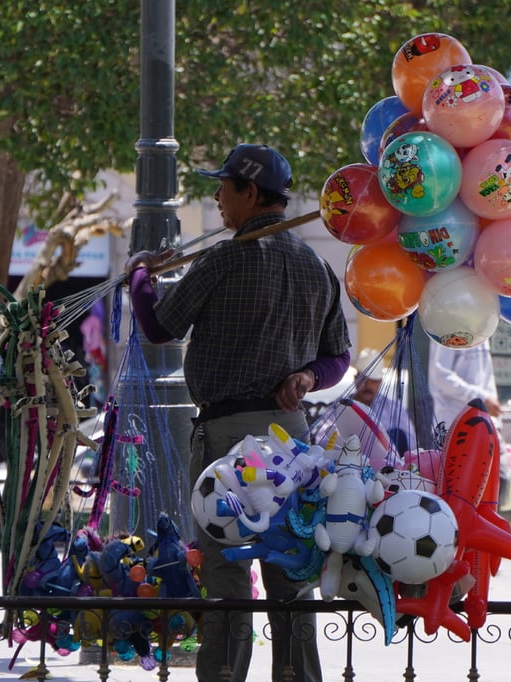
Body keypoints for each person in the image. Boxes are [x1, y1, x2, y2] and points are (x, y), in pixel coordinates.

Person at [125, 143, 351, 682]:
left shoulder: (224, 259)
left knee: (228, 579)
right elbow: (338, 356)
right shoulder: (315, 264)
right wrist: (307, 378)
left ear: (251, 193)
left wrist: (139, 278)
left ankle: (225, 676)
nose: (218, 198)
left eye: (224, 188)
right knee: (290, 578)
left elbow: (159, 327)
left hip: (228, 443)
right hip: (291, 444)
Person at [352, 347, 417, 454]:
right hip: (350, 463)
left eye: (373, 381)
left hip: (387, 466)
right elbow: (323, 437)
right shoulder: (341, 406)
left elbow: (411, 442)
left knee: (397, 434)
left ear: (380, 382)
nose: (368, 385)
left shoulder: (394, 407)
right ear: (355, 379)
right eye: (364, 379)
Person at [428, 339, 500, 429]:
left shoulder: (485, 331)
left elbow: (487, 376)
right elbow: (441, 376)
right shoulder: (447, 328)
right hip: (451, 424)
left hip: (480, 424)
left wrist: (494, 422)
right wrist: (481, 398)